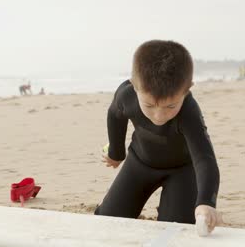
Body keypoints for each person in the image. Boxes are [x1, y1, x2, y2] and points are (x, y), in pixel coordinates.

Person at [95, 40, 222, 233]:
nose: (159, 116)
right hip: (139, 163)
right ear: (134, 86)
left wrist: (206, 202)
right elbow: (115, 115)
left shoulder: (189, 111)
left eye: (170, 106)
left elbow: (204, 158)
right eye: (149, 106)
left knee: (174, 229)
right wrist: (116, 152)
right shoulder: (126, 95)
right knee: (108, 222)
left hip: (182, 171)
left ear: (186, 90)